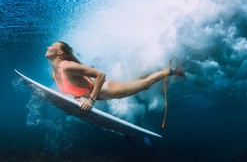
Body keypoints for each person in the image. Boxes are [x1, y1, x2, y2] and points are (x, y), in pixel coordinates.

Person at [45, 41, 185, 111]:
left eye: (51, 46)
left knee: (145, 85)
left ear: (60, 53)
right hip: (101, 93)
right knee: (134, 83)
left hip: (107, 90)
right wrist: (76, 99)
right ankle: (153, 70)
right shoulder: (54, 75)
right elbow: (77, 86)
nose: (48, 48)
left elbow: (100, 74)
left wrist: (91, 101)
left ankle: (170, 71)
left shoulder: (67, 67)